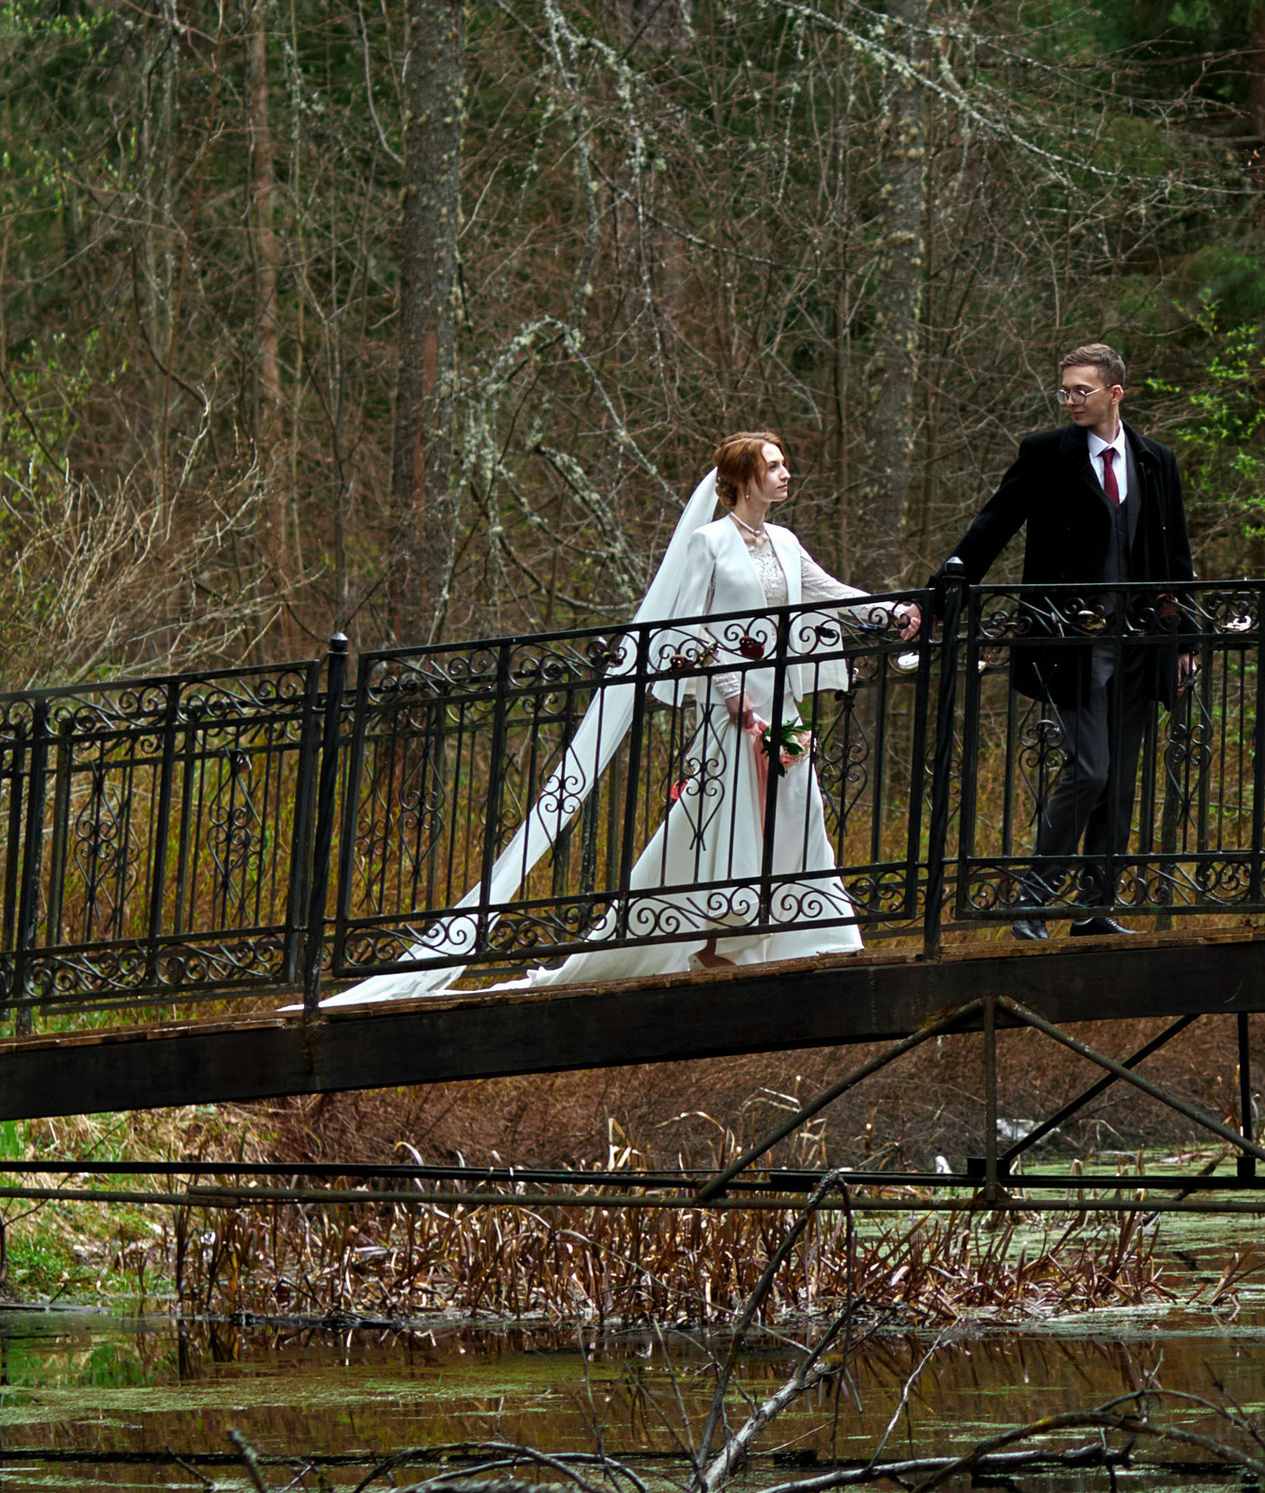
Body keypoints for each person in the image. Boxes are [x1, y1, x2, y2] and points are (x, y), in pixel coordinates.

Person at [328, 431, 919, 1004]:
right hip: (730, 707)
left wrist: (892, 610)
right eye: (774, 465)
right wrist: (732, 690)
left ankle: (815, 933)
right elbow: (692, 626)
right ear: (742, 480)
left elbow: (826, 590)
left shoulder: (786, 543)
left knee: (798, 807)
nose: (785, 473)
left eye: (784, 464)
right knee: (723, 820)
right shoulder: (709, 543)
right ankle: (707, 934)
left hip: (781, 703)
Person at [940, 343, 1195, 938]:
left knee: (1122, 778)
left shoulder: (1157, 461)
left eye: (1082, 390)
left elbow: (1176, 557)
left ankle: (1094, 907)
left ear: (1115, 393)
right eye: (1065, 391)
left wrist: (1185, 641)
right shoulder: (1046, 455)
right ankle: (1032, 898)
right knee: (1091, 769)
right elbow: (992, 524)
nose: (1071, 400)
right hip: (1069, 641)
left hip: (1139, 644)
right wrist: (945, 591)